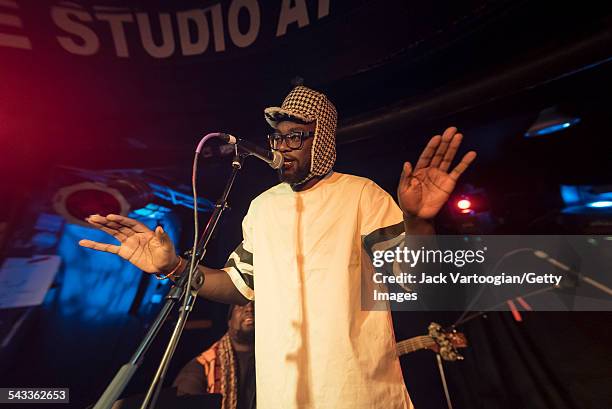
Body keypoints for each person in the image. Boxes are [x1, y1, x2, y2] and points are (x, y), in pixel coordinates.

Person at [79, 85, 476, 409]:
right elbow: (238, 284)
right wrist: (174, 267)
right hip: (280, 395)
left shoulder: (362, 195)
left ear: (320, 140)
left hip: (357, 393)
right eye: (278, 136)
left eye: (295, 136)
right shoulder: (263, 207)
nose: (283, 146)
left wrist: (419, 220)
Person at [173, 301, 255, 409]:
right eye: (240, 305)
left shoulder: (276, 361)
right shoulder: (202, 366)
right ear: (229, 321)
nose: (250, 309)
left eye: (255, 305)